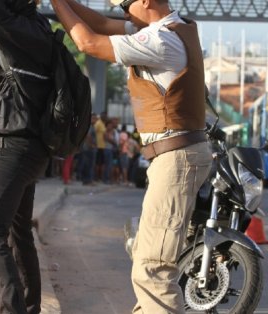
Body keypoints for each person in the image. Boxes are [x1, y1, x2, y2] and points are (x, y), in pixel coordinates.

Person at [50, 0, 213, 312]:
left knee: (153, 269)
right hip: (177, 155)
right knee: (146, 258)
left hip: (176, 157)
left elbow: (88, 42)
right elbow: (98, 23)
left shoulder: (160, 39)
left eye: (125, 3)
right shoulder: (171, 28)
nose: (122, 11)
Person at [0, 0, 54, 312]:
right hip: (29, 145)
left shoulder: (12, 25)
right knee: (19, 234)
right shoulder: (40, 27)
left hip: (10, 142)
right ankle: (29, 307)